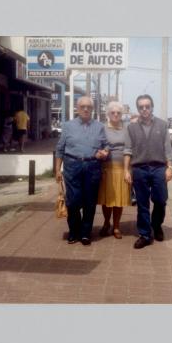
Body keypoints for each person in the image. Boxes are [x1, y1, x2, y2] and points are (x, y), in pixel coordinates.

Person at [123, 94, 172, 249]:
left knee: (160, 200)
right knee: (142, 203)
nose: (144, 109)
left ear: (152, 107)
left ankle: (157, 225)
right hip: (139, 169)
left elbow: (168, 149)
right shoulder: (131, 128)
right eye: (141, 107)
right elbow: (127, 150)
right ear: (138, 109)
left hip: (159, 168)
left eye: (147, 106)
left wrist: (170, 167)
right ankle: (145, 234)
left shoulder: (162, 125)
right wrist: (126, 170)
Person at [54, 97, 109, 245]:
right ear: (77, 108)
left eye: (89, 107)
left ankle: (85, 233)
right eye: (83, 106)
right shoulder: (68, 126)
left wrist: (104, 152)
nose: (86, 109)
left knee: (90, 202)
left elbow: (106, 145)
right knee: (73, 201)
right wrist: (57, 169)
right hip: (72, 165)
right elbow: (60, 149)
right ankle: (74, 231)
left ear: (92, 109)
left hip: (93, 166)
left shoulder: (99, 126)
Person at [97, 101, 130, 239]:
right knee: (107, 199)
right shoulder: (102, 128)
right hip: (107, 167)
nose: (116, 115)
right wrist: (101, 152)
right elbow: (98, 145)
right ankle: (106, 223)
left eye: (118, 112)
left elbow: (129, 148)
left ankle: (116, 226)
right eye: (113, 112)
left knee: (119, 199)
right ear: (108, 114)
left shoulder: (127, 128)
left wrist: (128, 170)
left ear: (122, 114)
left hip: (122, 168)